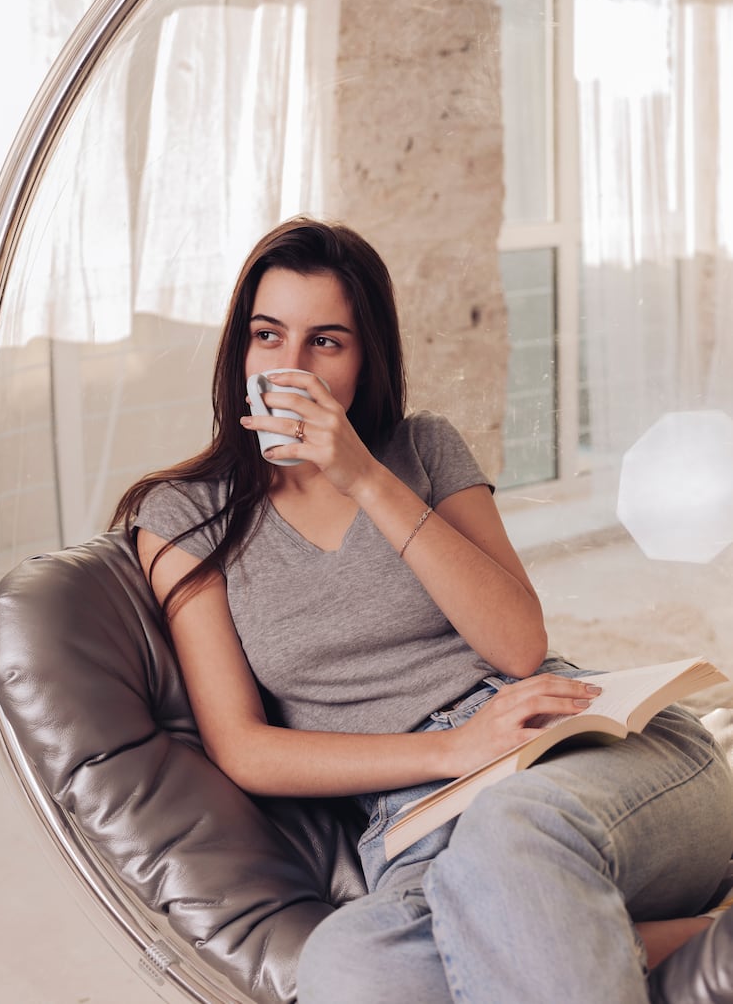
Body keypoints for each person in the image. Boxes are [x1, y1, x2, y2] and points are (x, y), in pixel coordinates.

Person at [113, 216, 733, 1004]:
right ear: (240, 349)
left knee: (512, 834)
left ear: (366, 356)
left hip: (579, 749)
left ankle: (563, 923)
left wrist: (364, 477)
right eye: (269, 335)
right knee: (348, 964)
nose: (290, 365)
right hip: (421, 817)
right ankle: (609, 937)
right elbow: (243, 746)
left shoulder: (423, 451)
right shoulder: (183, 517)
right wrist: (450, 754)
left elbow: (517, 644)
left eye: (326, 342)